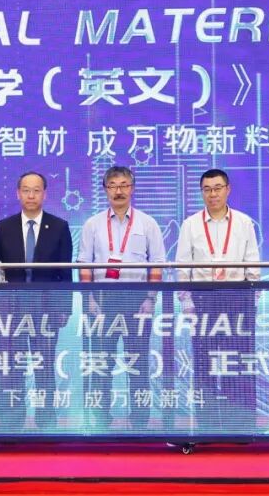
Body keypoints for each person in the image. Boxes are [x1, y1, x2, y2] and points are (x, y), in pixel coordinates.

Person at [77, 166, 166, 430]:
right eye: (113, 185)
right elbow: (84, 264)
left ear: (132, 188)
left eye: (124, 185)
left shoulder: (147, 223)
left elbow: (157, 263)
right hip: (102, 300)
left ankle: (139, 420)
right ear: (105, 190)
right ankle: (100, 419)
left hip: (137, 299)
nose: (119, 191)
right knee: (101, 361)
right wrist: (89, 300)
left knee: (137, 360)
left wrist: (150, 299)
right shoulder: (92, 224)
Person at [175, 169, 261, 430]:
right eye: (207, 189)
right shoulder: (190, 224)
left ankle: (242, 424)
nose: (213, 194)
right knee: (204, 362)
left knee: (239, 361)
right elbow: (183, 267)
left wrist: (253, 300)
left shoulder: (244, 222)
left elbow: (253, 264)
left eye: (217, 188)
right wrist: (187, 303)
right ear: (202, 192)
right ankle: (207, 424)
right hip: (203, 299)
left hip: (237, 297)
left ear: (228, 189)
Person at [0, 171, 73, 431]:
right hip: (11, 309)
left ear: (44, 194)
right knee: (11, 368)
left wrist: (64, 308)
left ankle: (46, 422)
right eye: (26, 190)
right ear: (18, 193)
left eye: (36, 190)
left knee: (44, 366)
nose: (31, 195)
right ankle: (11, 422)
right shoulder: (4, 227)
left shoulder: (59, 227)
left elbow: (65, 272)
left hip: (46, 308)